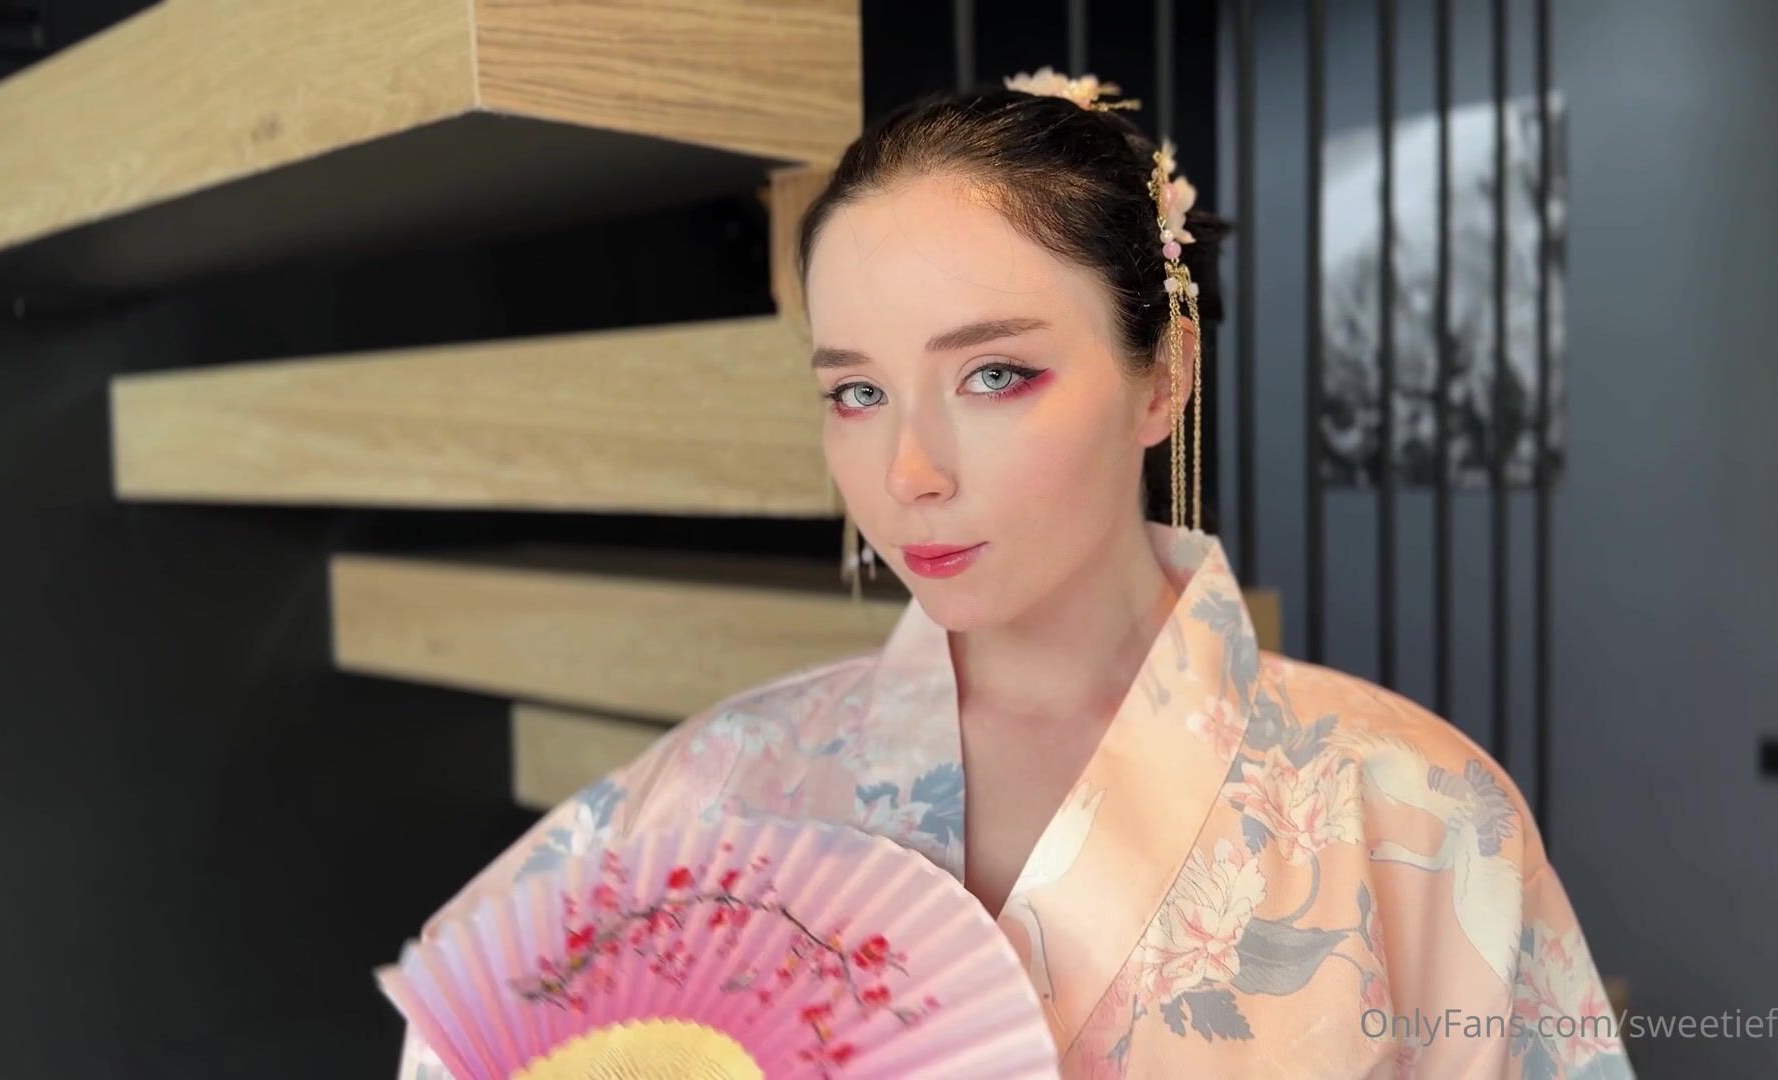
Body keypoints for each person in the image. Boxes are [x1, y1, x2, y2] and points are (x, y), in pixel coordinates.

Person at [395, 69, 1634, 1079]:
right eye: (856, 393)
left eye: (994, 375)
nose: (909, 471)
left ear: (1163, 377)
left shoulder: (1416, 813)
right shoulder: (717, 789)